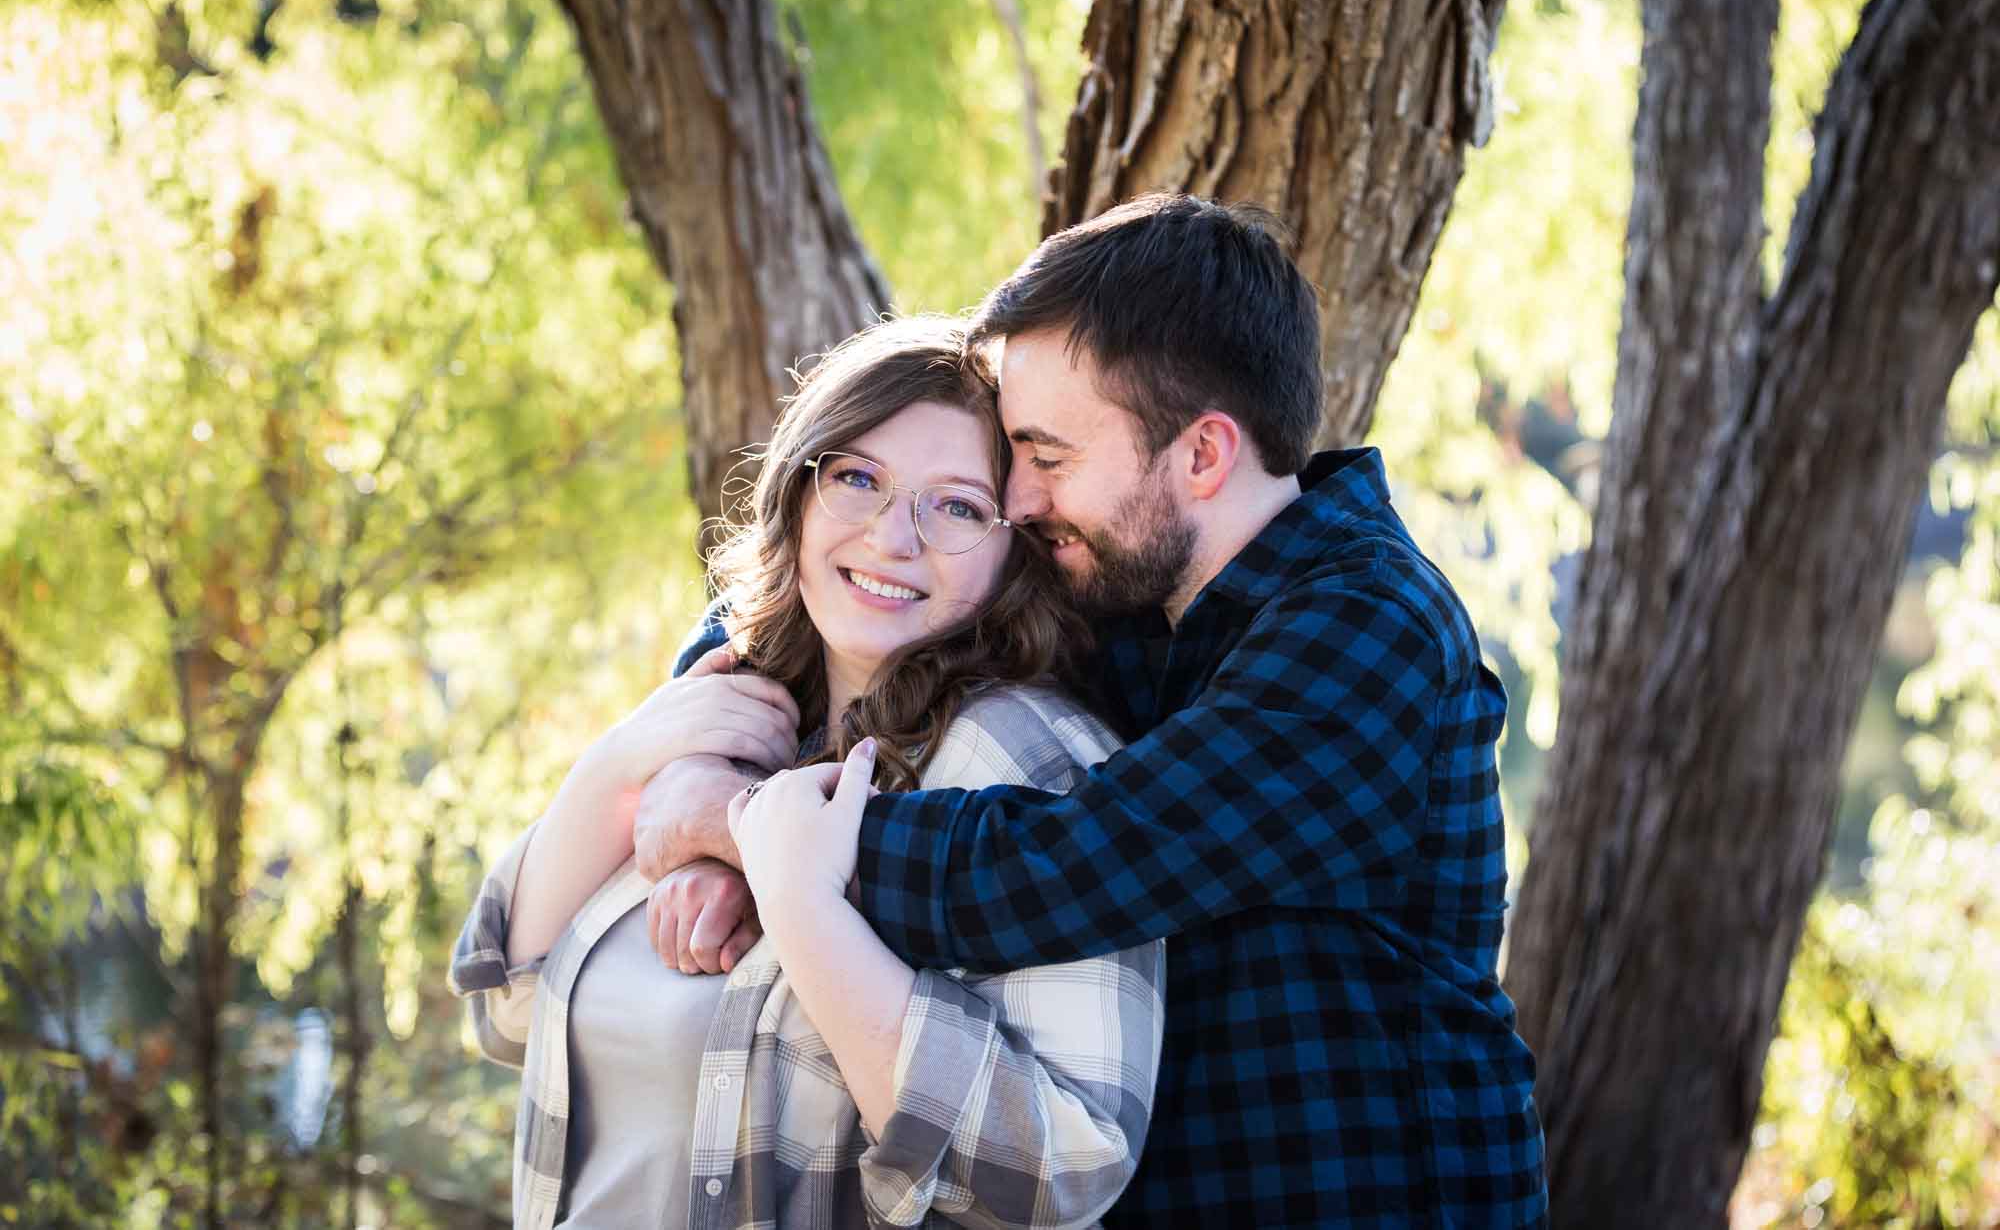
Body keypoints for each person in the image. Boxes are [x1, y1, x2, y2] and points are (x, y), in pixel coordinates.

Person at [641, 195, 1550, 1227]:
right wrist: (708, 749)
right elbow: (831, 604)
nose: (1017, 497)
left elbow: (1054, 870)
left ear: (1201, 456)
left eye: (1048, 455)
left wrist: (748, 828)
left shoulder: (1366, 631)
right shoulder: (1119, 585)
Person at [449, 317, 1166, 1230]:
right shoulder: (731, 717)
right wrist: (618, 763)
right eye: (857, 478)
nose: (892, 536)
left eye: (954, 505)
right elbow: (508, 1012)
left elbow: (1067, 1168)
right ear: (796, 493)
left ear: (1014, 546)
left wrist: (799, 902)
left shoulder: (1023, 758)